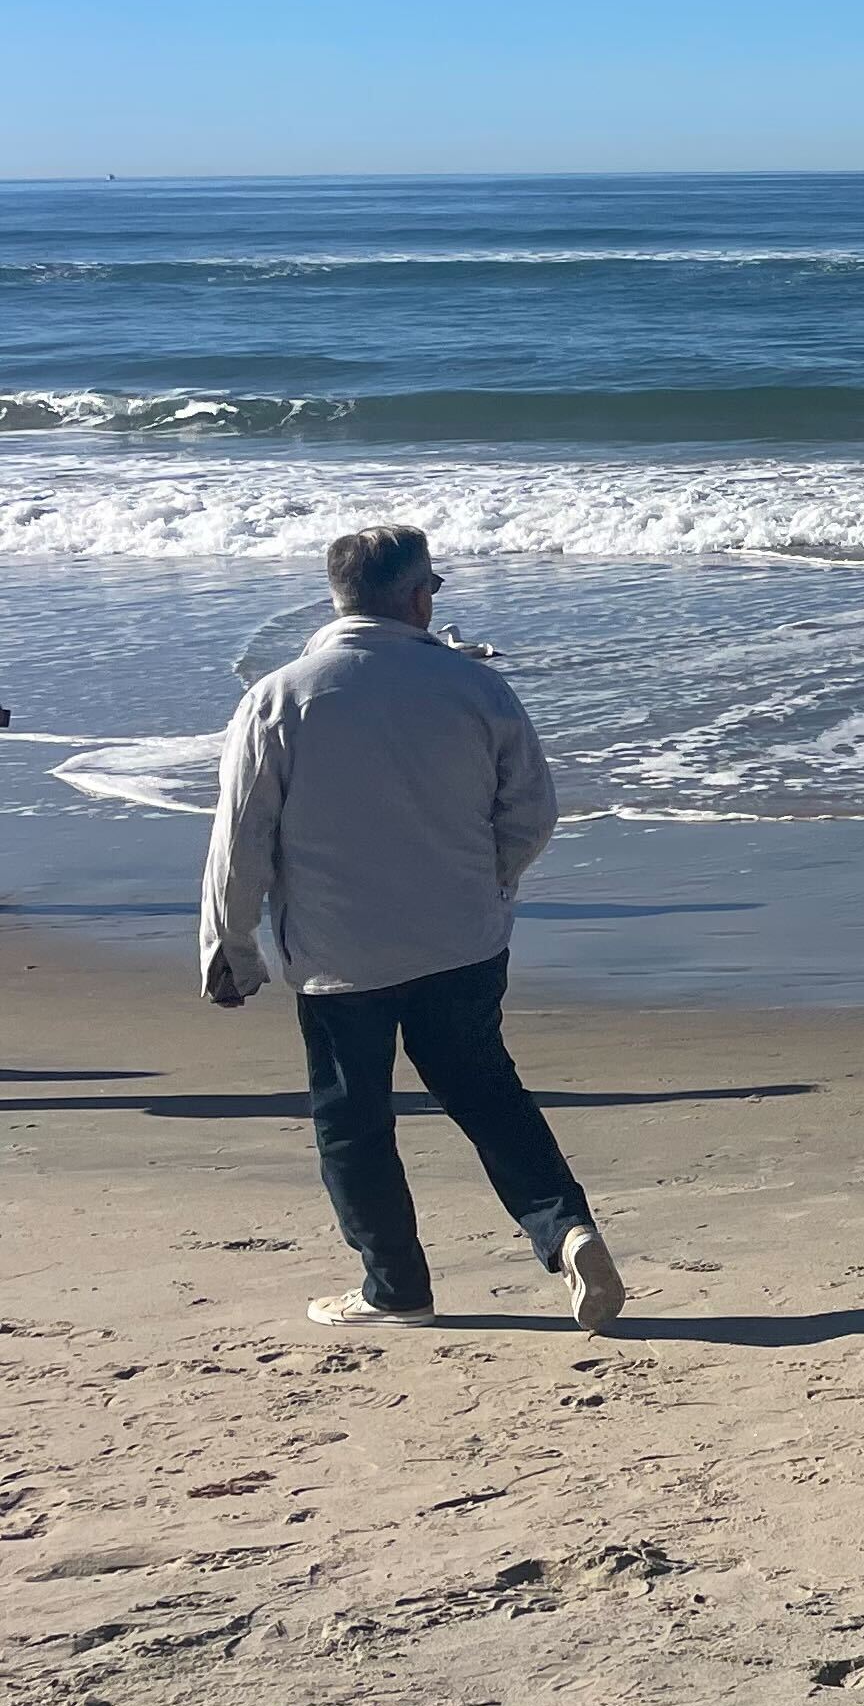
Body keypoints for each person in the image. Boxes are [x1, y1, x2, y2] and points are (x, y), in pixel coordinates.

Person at [197, 525, 625, 1335]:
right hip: (460, 938)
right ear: (418, 595)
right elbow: (531, 814)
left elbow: (241, 837)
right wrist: (488, 882)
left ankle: (396, 1286)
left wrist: (230, 946)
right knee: (487, 1093)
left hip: (337, 952)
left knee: (353, 1119)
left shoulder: (280, 697)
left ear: (339, 595)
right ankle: (565, 1229)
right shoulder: (474, 688)